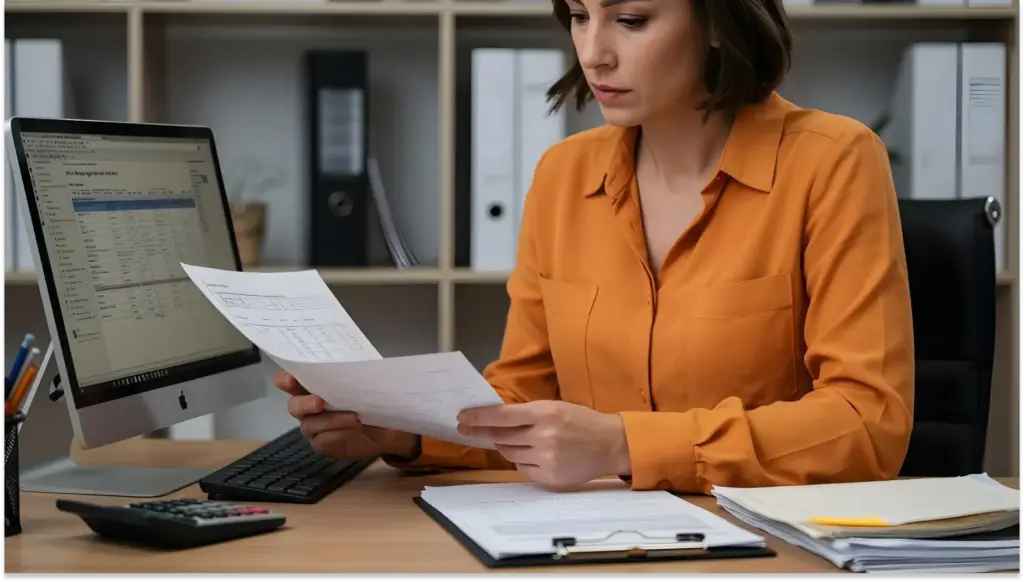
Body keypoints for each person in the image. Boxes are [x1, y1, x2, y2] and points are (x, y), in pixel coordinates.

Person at [276, 0, 915, 494]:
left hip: (764, 545)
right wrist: (404, 431)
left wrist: (622, 444)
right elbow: (526, 403)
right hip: (594, 538)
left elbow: (866, 422)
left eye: (630, 20)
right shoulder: (563, 175)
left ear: (719, 22)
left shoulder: (834, 161)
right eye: (580, 16)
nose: (593, 52)